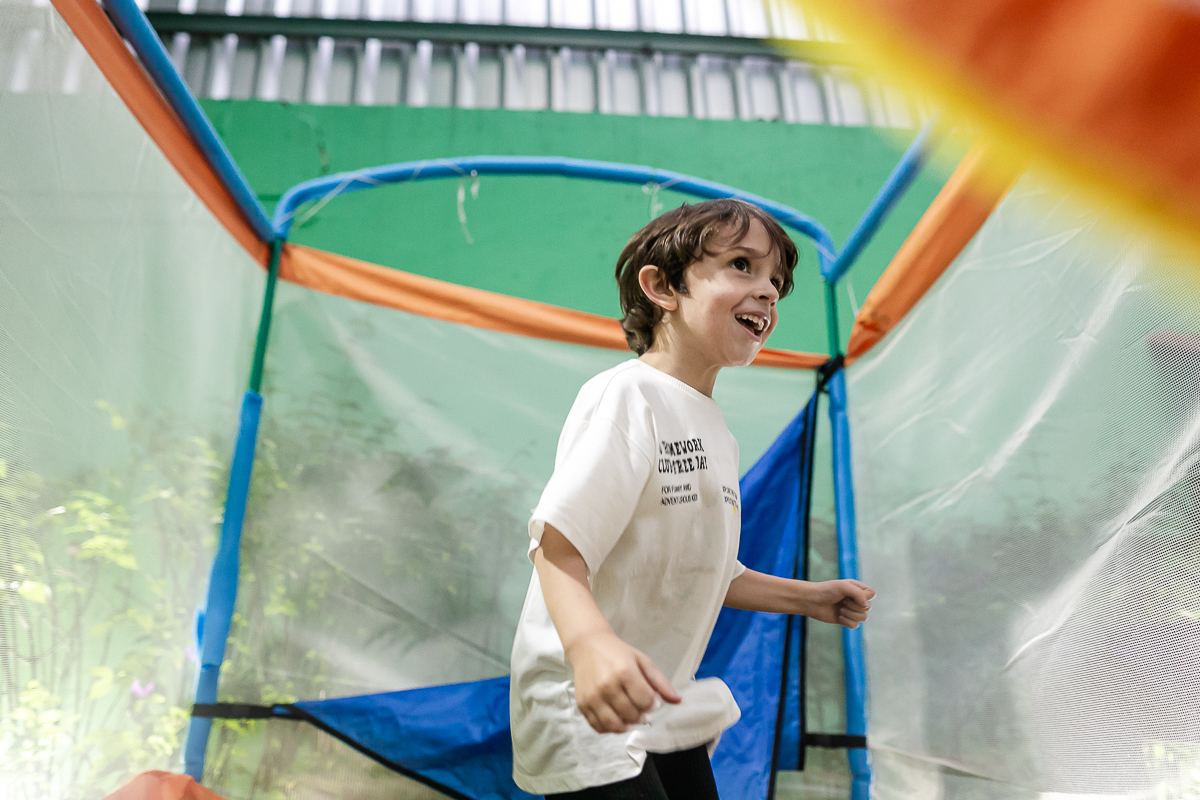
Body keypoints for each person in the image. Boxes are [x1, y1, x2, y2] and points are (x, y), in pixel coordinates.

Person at [509, 198, 875, 800]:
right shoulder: (628, 397)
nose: (768, 293)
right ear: (662, 288)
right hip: (587, 700)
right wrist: (592, 647)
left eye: (776, 282)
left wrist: (809, 599)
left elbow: (706, 571)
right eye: (741, 265)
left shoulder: (716, 431)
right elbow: (557, 543)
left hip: (664, 702)